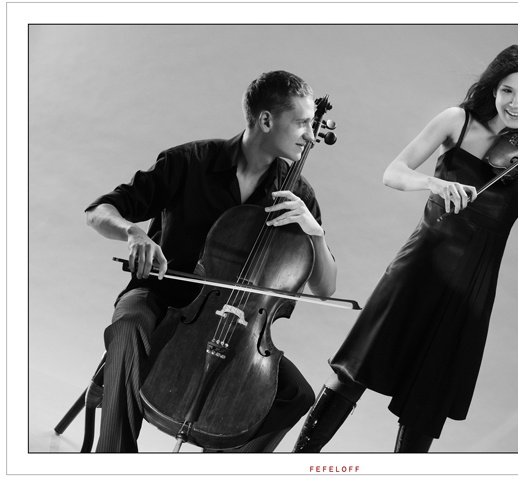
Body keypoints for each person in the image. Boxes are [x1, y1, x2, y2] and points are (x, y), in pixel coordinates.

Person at [292, 44, 518, 453]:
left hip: (471, 288)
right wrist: (433, 183)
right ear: (494, 86)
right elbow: (393, 172)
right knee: (353, 370)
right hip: (419, 266)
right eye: (508, 90)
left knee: (426, 404)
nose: (516, 103)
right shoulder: (457, 121)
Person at [85, 70, 337, 452]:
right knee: (129, 326)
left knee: (295, 395)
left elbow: (326, 288)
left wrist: (314, 231)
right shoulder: (189, 161)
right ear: (266, 120)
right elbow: (99, 211)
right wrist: (133, 233)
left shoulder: (298, 197)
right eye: (301, 123)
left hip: (240, 326)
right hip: (160, 297)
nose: (310, 135)